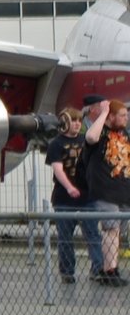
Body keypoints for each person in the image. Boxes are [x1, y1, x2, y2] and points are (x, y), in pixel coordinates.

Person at [47, 101, 103, 284]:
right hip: (64, 199)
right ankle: (67, 272)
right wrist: (70, 187)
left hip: (88, 198)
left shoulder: (86, 140)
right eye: (74, 121)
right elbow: (58, 169)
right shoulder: (56, 144)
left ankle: (98, 269)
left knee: (93, 235)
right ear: (65, 122)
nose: (78, 124)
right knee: (65, 238)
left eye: (80, 121)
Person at [85, 97, 130, 286]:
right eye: (121, 115)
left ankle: (113, 267)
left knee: (117, 231)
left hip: (123, 191)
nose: (126, 118)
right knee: (110, 229)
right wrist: (103, 113)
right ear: (112, 117)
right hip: (106, 191)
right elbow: (90, 138)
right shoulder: (101, 133)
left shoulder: (125, 135)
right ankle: (108, 270)